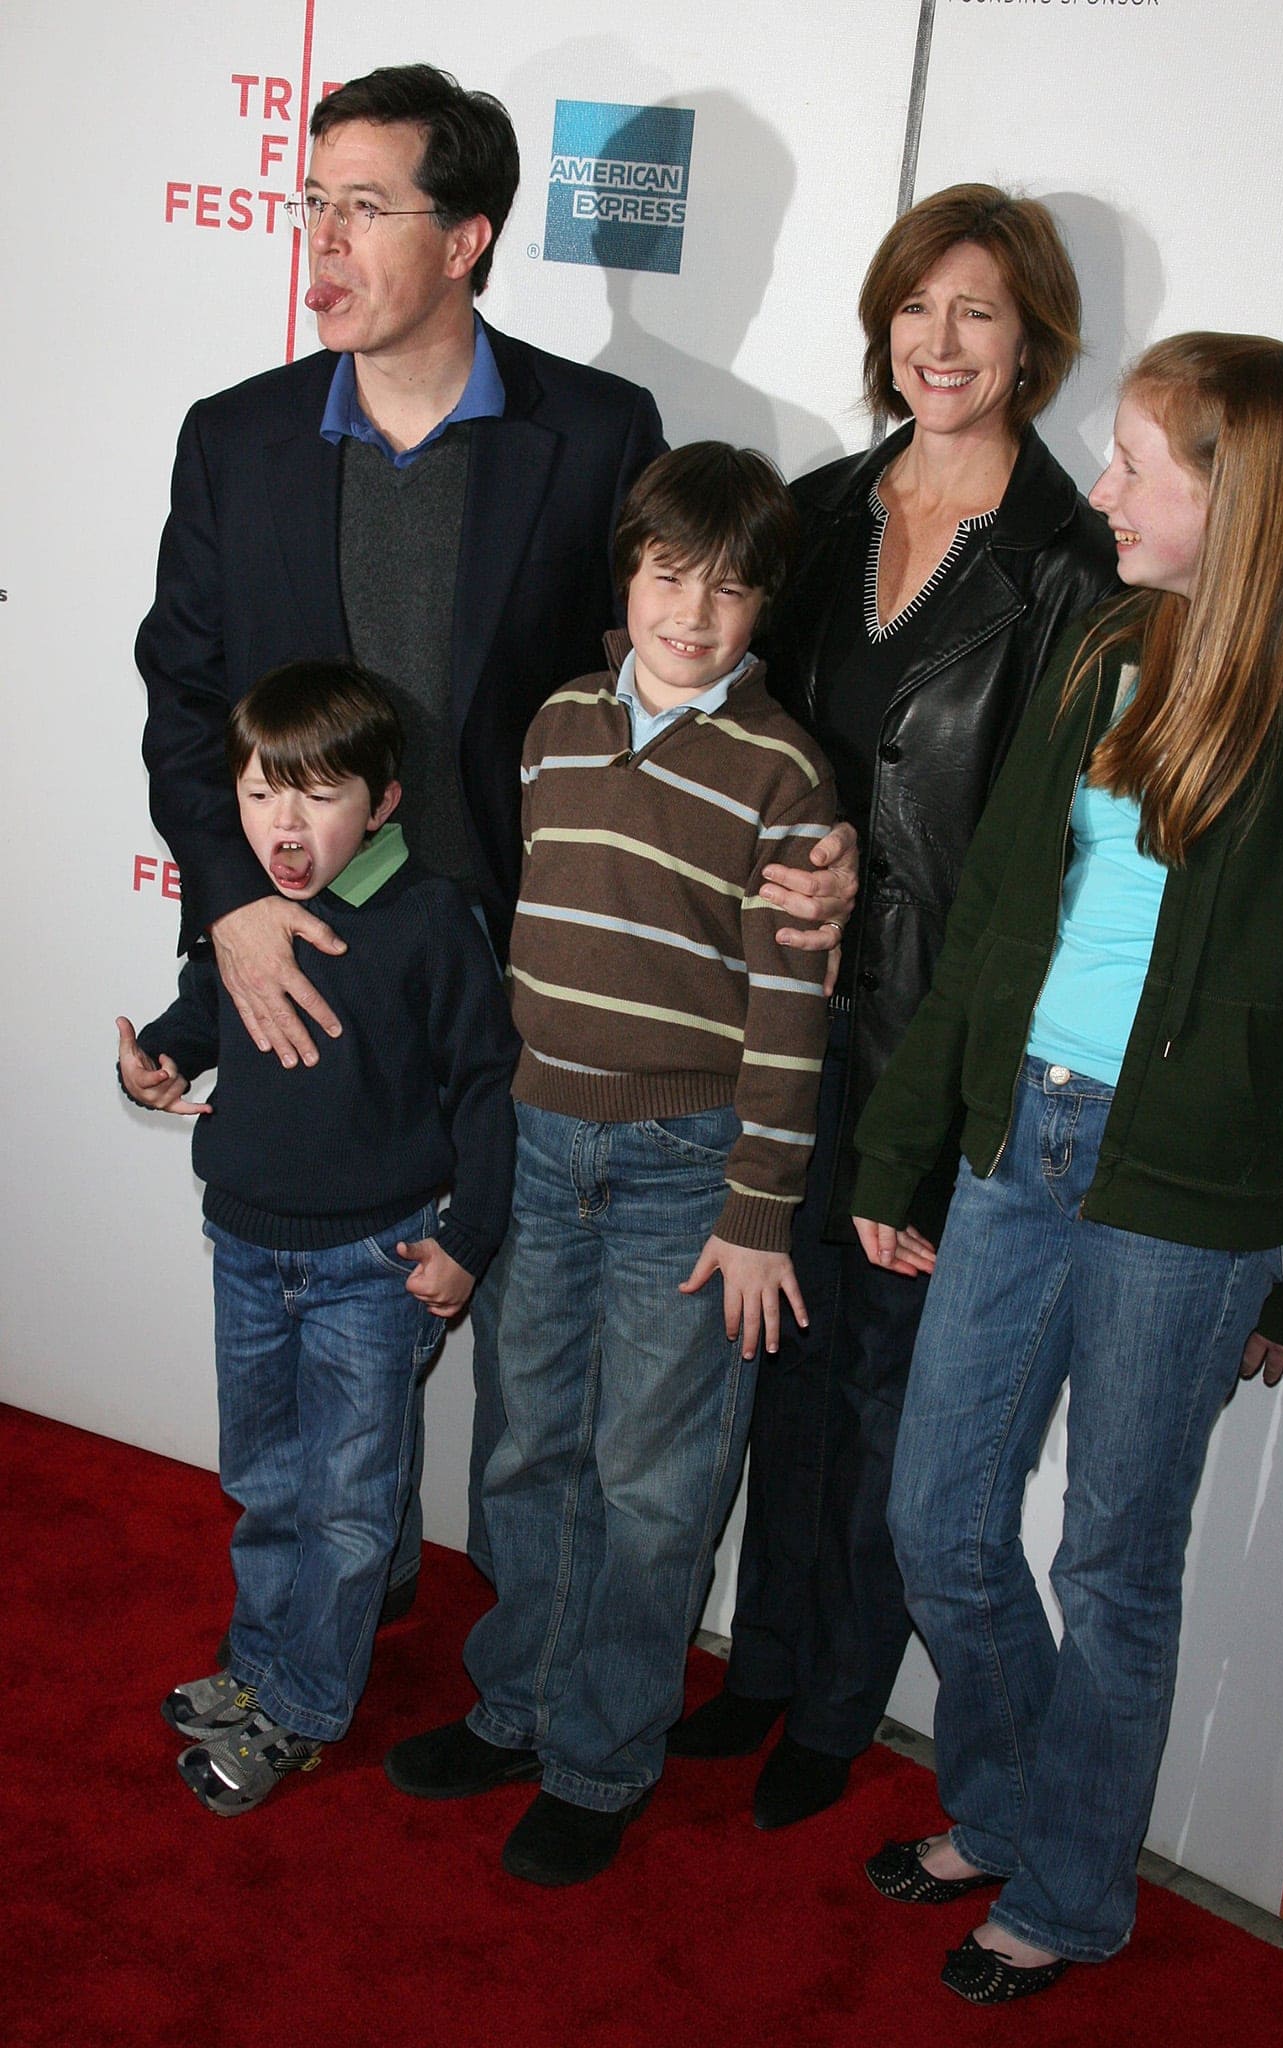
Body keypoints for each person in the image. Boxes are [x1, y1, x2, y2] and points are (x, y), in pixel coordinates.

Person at [851, 333, 1283, 1999]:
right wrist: (902, 1143)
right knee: (938, 1516)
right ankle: (1003, 1800)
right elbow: (996, 916)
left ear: (1242, 496)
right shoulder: (1100, 650)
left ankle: (1069, 1889)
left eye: (1138, 466)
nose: (1101, 490)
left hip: (1188, 1205)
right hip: (1022, 1143)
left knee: (1111, 1563)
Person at [135, 62, 667, 1596]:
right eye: (313, 202)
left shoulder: (596, 429)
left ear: (468, 236)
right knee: (317, 1383)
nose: (323, 240)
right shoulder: (235, 440)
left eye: (365, 207)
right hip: (306, 974)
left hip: (528, 982)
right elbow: (183, 701)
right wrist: (231, 899)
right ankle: (316, 1633)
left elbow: (649, 692)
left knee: (536, 1389)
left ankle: (521, 1682)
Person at [668, 185, 1117, 1828]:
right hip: (774, 1017)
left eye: (978, 313)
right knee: (772, 1357)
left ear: (1032, 343)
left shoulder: (1073, 565)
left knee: (882, 1385)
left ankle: (838, 1701)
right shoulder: (807, 517)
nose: (938, 341)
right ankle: (764, 1662)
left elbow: (1057, 856)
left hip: (935, 1039)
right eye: (916, 306)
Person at [383, 444, 838, 1886]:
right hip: (536, 1138)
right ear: (624, 575)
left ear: (763, 606)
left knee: (652, 1480)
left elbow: (788, 1012)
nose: (690, 615)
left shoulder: (783, 775)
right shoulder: (555, 728)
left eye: (726, 590)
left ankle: (598, 1756)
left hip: (684, 1177)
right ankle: (512, 1705)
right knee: (524, 1445)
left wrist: (758, 1210)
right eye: (664, 577)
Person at [118, 662, 519, 1813]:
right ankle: (257, 1668)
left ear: (383, 801)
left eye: (316, 795)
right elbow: (202, 1015)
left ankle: (298, 1708)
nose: (282, 825)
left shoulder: (433, 918)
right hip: (243, 1245)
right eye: (257, 795)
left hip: (373, 1266)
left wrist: (471, 1239)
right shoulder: (244, 909)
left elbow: (486, 1088)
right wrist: (152, 1054)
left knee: (348, 1502)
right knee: (265, 1480)